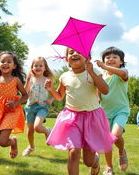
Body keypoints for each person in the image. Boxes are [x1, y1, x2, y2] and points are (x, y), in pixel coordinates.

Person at [45, 48, 116, 175]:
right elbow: (60, 96)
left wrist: (91, 73)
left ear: (87, 57)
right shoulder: (65, 76)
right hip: (72, 118)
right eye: (71, 52)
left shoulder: (94, 71)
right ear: (66, 59)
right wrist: (51, 90)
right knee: (73, 153)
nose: (75, 54)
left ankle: (95, 163)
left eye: (79, 51)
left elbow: (105, 90)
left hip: (92, 118)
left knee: (88, 161)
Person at [96, 46, 130, 175]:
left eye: (115, 57)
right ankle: (109, 167)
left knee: (113, 136)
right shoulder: (101, 76)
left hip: (121, 110)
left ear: (121, 61)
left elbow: (123, 74)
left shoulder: (122, 73)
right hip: (104, 112)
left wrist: (105, 67)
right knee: (110, 138)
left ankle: (121, 152)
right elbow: (99, 93)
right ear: (103, 60)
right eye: (107, 57)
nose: (111, 59)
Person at [22, 57, 54, 156]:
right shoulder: (30, 80)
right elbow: (25, 93)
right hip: (30, 107)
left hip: (42, 106)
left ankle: (47, 130)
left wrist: (51, 100)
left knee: (37, 127)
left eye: (40, 66)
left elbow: (53, 93)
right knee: (30, 130)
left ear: (45, 68)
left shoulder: (47, 80)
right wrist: (27, 81)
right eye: (35, 65)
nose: (38, 67)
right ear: (32, 68)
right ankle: (31, 147)